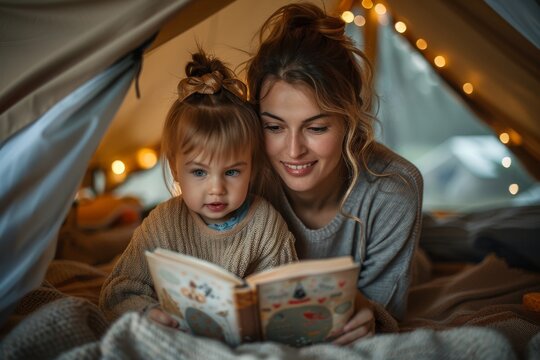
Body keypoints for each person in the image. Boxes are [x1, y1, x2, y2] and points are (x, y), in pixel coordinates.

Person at [246, 3, 423, 345]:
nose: (294, 150)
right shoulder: (244, 178)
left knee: (427, 258)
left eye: (316, 127)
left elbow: (386, 311)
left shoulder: (394, 189)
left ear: (349, 121)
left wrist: (367, 312)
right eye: (274, 126)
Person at [99, 50, 298, 327]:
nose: (216, 188)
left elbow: (288, 301)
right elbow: (119, 292)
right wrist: (149, 314)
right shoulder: (163, 224)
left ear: (251, 167)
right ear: (176, 168)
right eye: (199, 172)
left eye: (231, 172)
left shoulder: (266, 226)